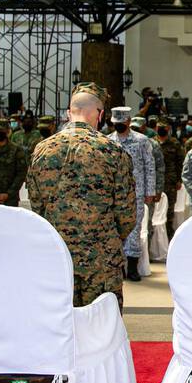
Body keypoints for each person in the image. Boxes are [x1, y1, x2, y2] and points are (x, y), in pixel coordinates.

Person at [27, 82, 136, 307]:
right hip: (101, 261)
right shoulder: (112, 151)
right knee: (101, 331)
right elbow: (126, 215)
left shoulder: (43, 149)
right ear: (100, 114)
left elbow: (37, 207)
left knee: (61, 328)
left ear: (69, 113)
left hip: (57, 257)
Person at [109, 106, 159, 282]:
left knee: (135, 229)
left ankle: (132, 268)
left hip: (136, 193)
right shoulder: (108, 141)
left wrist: (150, 192)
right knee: (114, 229)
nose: (119, 126)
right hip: (114, 194)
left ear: (129, 122)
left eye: (122, 123)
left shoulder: (142, 140)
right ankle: (118, 268)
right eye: (116, 123)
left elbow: (149, 166)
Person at [154, 117, 184, 239]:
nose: (161, 130)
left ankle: (169, 237)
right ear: (156, 128)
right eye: (159, 128)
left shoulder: (175, 143)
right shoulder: (151, 142)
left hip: (170, 182)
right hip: (155, 182)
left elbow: (180, 162)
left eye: (164, 128)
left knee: (169, 211)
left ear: (168, 129)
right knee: (155, 212)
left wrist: (179, 180)